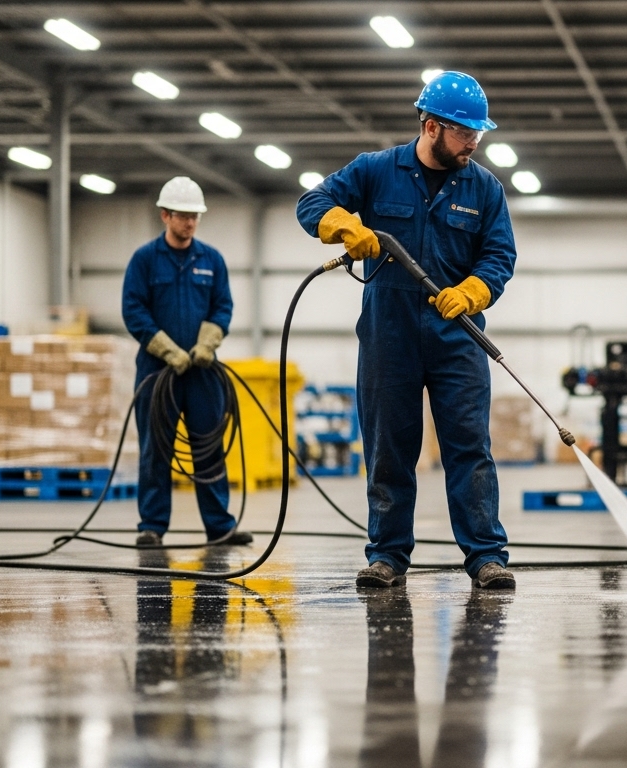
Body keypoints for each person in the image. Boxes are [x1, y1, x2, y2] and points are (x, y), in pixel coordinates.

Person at [296, 71, 518, 590]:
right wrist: (345, 227)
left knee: (469, 446)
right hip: (387, 331)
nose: (474, 143)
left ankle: (486, 557)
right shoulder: (376, 170)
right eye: (465, 133)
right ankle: (388, 557)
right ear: (432, 125)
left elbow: (499, 256)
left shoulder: (484, 187)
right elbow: (311, 204)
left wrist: (473, 291)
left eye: (477, 134)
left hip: (456, 333)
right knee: (389, 447)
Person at [121, 176, 251, 548]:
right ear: (165, 215)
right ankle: (152, 526)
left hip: (202, 371)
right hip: (157, 372)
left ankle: (219, 526)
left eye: (195, 216)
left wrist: (207, 343)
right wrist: (167, 350)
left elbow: (222, 305)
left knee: (208, 448)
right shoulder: (145, 260)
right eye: (182, 216)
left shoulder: (211, 260)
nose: (190, 222)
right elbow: (133, 309)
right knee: (156, 448)